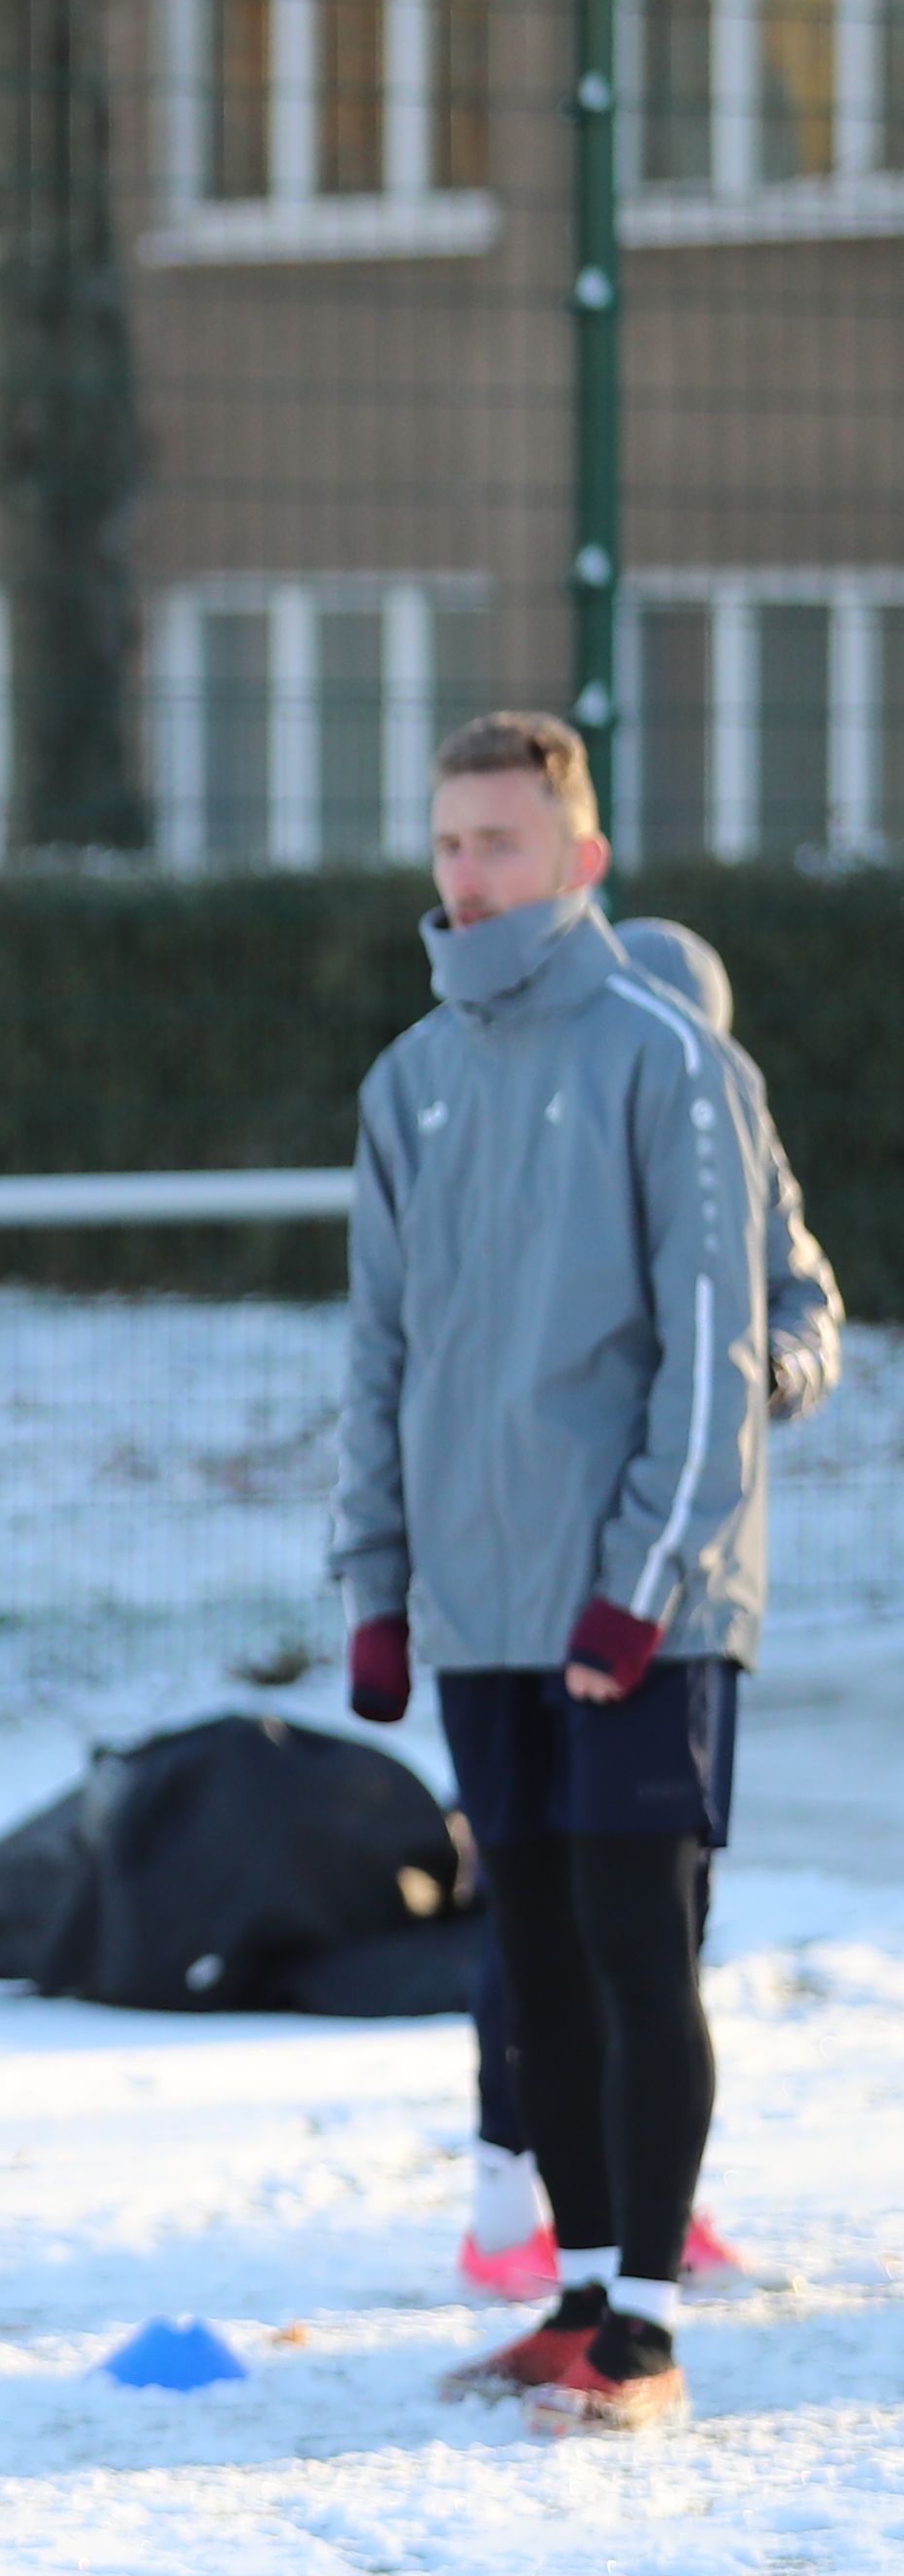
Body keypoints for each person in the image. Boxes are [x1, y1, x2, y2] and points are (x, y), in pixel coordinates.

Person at [336, 711, 777, 2437]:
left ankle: (649, 2330)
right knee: (527, 1947)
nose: (469, 874)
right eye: (449, 842)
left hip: (636, 1603)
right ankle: (578, 2294)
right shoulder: (408, 1079)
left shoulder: (670, 1058)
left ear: (580, 859)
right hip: (478, 1601)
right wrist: (382, 1582)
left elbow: (718, 1347)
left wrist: (642, 1585)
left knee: (629, 1942)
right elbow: (378, 1350)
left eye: (502, 843)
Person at [452, 911, 840, 2302]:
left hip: (686, 1587)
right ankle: (511, 2197)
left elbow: (801, 1299)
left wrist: (768, 1372)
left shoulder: (731, 1132)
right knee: (537, 1903)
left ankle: (648, 2200)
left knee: (658, 1904)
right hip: (525, 1576)